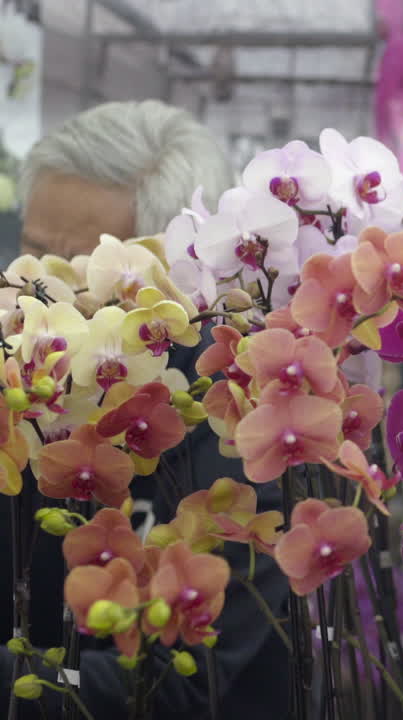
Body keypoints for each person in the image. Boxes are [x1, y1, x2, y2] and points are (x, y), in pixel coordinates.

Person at [6, 100, 290, 718]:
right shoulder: (16, 373)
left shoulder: (232, 426)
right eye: (31, 264)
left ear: (173, 276)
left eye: (80, 277)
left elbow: (175, 688)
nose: (43, 303)